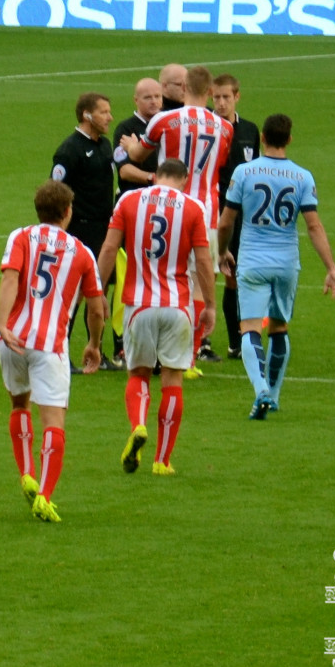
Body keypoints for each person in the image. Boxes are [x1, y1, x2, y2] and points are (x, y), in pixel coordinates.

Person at [98, 158, 215, 477]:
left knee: (138, 374)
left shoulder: (129, 200)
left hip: (139, 305)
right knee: (173, 380)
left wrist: (97, 293)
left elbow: (109, 249)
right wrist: (211, 305)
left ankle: (138, 424)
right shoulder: (192, 208)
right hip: (178, 306)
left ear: (156, 176)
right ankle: (162, 461)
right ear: (184, 178)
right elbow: (204, 262)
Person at [218, 115, 335, 419]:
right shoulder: (302, 176)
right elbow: (314, 226)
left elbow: (226, 221)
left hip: (253, 261)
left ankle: (260, 389)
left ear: (261, 137)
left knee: (249, 328)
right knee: (279, 327)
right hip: (286, 263)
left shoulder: (244, 172)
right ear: (289, 140)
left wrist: (221, 252)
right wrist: (331, 268)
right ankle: (273, 394)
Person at [0, 182, 102, 521]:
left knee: (19, 403)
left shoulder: (20, 237)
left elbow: (9, 278)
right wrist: (94, 344)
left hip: (13, 339)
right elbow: (97, 308)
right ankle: (44, 495)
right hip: (50, 346)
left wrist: (2, 323)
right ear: (68, 212)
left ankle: (26, 472)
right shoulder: (82, 252)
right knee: (54, 421)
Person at [121, 65, 233, 367]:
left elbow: (137, 156)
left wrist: (131, 145)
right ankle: (190, 357)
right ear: (209, 92)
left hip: (166, 209)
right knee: (198, 281)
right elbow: (217, 165)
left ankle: (154, 349)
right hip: (206, 213)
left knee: (161, 274)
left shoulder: (165, 120)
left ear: (183, 88)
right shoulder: (225, 127)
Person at [50, 91, 116, 371]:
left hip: (103, 230)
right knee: (74, 294)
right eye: (103, 112)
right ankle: (59, 352)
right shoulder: (70, 150)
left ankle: (97, 352)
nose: (110, 117)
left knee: (97, 293)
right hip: (80, 231)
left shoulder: (105, 145)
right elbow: (57, 191)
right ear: (87, 115)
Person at [210, 75, 262, 361]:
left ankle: (234, 342)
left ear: (237, 97)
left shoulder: (249, 130)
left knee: (234, 276)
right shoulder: (207, 127)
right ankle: (202, 342)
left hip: (240, 213)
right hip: (211, 208)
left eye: (225, 97)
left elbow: (254, 171)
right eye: (216, 97)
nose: (220, 103)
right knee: (206, 273)